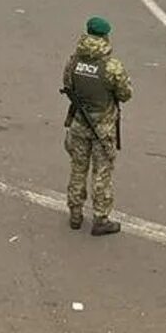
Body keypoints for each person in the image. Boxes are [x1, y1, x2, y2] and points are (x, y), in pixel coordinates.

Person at [61, 16, 133, 235]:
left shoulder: (74, 61)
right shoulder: (112, 66)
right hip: (102, 127)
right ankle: (101, 218)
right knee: (102, 173)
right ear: (105, 36)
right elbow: (125, 94)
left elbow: (67, 84)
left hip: (79, 123)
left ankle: (75, 212)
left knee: (78, 168)